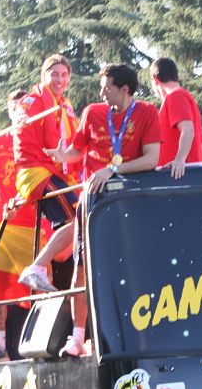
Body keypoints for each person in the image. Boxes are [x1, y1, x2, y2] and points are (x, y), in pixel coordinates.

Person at [45, 63, 161, 356]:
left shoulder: (147, 113)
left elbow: (151, 159)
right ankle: (77, 337)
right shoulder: (93, 113)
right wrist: (62, 155)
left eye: (107, 87)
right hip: (93, 201)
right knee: (81, 267)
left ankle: (140, 330)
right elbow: (76, 150)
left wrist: (113, 168)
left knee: (133, 267)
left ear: (124, 89)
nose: (101, 92)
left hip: (130, 202)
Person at [0, 89, 43, 362]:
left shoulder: (38, 139)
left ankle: (40, 338)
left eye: (26, 108)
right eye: (17, 109)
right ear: (9, 112)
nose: (22, 113)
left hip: (31, 221)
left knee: (38, 283)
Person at [14, 54, 81, 294]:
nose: (59, 79)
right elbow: (22, 111)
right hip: (37, 172)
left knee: (77, 221)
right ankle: (38, 266)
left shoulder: (65, 106)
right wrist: (19, 117)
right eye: (54, 74)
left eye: (64, 75)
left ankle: (47, 267)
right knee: (80, 219)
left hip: (53, 172)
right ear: (44, 76)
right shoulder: (33, 100)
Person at [150, 57, 202, 178]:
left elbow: (187, 131)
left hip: (177, 176)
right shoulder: (183, 97)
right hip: (183, 176)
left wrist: (180, 160)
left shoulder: (175, 96)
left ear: (155, 81)